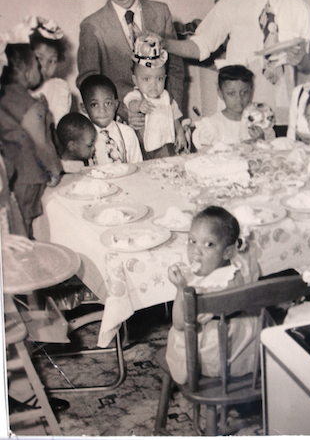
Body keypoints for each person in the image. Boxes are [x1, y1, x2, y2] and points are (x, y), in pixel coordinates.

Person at [164, 0, 310, 128]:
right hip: (237, 111)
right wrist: (165, 44)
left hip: (280, 110)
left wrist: (302, 59)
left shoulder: (300, 10)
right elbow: (200, 46)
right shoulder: (232, 4)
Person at [76, 0, 185, 126]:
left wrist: (173, 113)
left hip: (162, 115)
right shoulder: (92, 26)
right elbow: (88, 82)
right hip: (120, 119)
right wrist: (124, 111)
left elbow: (175, 69)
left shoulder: (161, 11)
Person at [165, 206, 260, 385]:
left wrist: (180, 288)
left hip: (211, 359)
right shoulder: (244, 264)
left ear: (228, 251)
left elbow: (179, 323)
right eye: (192, 241)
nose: (196, 251)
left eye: (208, 244)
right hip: (246, 351)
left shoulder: (200, 288)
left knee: (180, 335)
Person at [0, 43, 62, 237]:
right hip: (26, 180)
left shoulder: (4, 98)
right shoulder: (33, 106)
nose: (41, 70)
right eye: (37, 65)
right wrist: (54, 174)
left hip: (7, 177)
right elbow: (42, 145)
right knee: (22, 232)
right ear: (27, 73)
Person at [123, 37, 186, 159]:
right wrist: (139, 105)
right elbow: (130, 102)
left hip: (165, 143)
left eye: (159, 79)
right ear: (135, 80)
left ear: (165, 78)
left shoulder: (167, 97)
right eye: (146, 79)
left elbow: (175, 117)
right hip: (143, 144)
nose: (153, 84)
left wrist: (180, 133)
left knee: (168, 163)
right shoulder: (138, 95)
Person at [192, 65, 268, 150]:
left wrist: (261, 140)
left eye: (244, 92)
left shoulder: (260, 121)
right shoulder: (212, 126)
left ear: (251, 91)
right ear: (221, 93)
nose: (239, 98)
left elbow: (270, 155)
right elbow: (205, 157)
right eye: (232, 93)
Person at [80, 74, 143, 165]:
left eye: (108, 103)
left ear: (116, 104)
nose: (102, 110)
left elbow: (138, 165)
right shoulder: (82, 138)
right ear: (84, 108)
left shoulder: (127, 133)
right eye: (94, 105)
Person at [29, 17, 72, 125]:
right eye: (39, 58)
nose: (44, 67)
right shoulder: (15, 87)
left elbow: (58, 126)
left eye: (52, 61)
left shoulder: (58, 88)